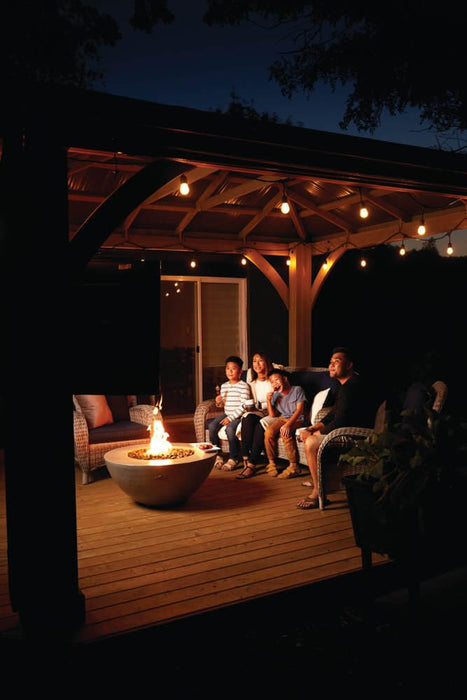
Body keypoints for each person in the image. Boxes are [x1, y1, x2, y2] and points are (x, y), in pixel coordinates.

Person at [296, 346, 378, 509]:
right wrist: (313, 427)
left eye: (337, 361)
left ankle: (319, 492)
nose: (331, 365)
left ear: (349, 365)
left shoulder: (352, 387)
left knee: (311, 443)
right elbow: (334, 412)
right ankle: (318, 479)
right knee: (311, 436)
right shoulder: (347, 385)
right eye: (330, 362)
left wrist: (314, 434)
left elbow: (341, 422)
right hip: (345, 429)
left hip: (357, 436)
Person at [235, 351, 274, 480]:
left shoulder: (274, 380)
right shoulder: (251, 384)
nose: (256, 364)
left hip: (272, 413)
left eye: (260, 360)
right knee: (247, 418)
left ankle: (252, 465)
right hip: (258, 412)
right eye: (254, 361)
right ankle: (245, 458)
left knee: (260, 426)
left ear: (267, 362)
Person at [209, 355, 251, 471]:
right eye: (228, 368)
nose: (230, 371)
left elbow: (244, 406)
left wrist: (231, 418)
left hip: (239, 415)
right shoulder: (224, 386)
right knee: (212, 426)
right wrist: (219, 403)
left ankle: (234, 457)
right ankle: (218, 454)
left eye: (233, 368)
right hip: (227, 413)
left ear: (240, 371)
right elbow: (223, 405)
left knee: (230, 429)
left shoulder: (244, 386)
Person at [263, 368, 307, 479]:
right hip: (283, 418)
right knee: (268, 432)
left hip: (297, 419)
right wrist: (268, 400)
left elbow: (300, 410)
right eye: (272, 382)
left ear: (285, 379)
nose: (274, 383)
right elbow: (272, 415)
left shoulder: (297, 390)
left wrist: (288, 425)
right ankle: (272, 463)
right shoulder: (276, 395)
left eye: (277, 379)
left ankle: (294, 466)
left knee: (285, 433)